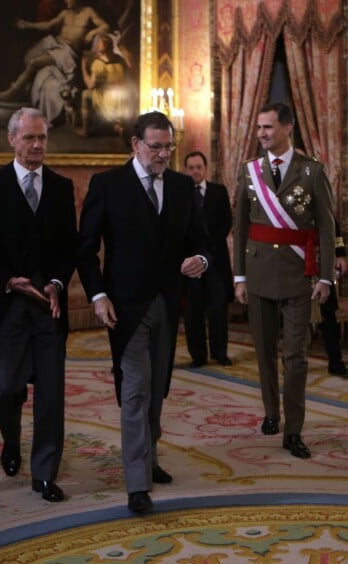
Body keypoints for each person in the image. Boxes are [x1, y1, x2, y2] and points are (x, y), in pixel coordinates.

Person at [76, 111, 211, 514]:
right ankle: (137, 482)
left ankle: (149, 455)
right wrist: (98, 296)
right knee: (135, 389)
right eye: (155, 146)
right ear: (135, 144)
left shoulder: (184, 187)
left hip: (168, 304)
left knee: (157, 388)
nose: (164, 154)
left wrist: (200, 259)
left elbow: (202, 240)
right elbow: (85, 248)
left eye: (169, 146)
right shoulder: (108, 185)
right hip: (125, 306)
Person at [0, 107, 77, 503]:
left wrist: (55, 283)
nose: (36, 145)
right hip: (9, 305)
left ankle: (44, 473)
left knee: (51, 393)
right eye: (29, 138)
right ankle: (10, 441)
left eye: (42, 138)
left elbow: (70, 247)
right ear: (11, 139)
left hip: (49, 308)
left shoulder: (62, 187)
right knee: (7, 389)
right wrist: (6, 279)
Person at [233, 102, 335, 460]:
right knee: (262, 352)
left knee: (296, 358)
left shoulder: (312, 172)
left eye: (268, 127)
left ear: (287, 128)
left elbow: (326, 226)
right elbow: (241, 226)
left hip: (298, 276)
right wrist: (239, 277)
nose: (261, 133)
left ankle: (294, 430)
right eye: (259, 127)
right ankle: (271, 413)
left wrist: (326, 277)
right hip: (258, 273)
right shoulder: (249, 172)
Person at [0, 0, 109, 124]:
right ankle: (22, 87)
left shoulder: (88, 12)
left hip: (67, 52)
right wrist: (28, 25)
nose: (66, 1)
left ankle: (12, 92)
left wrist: (93, 32)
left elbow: (105, 26)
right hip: (55, 43)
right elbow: (49, 24)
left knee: (34, 63)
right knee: (29, 56)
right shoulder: (65, 13)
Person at [183, 151, 234, 367]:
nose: (195, 171)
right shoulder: (181, 192)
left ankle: (220, 353)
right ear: (186, 170)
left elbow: (226, 222)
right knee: (193, 311)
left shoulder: (218, 191)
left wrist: (209, 251)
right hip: (190, 262)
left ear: (205, 169)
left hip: (216, 261)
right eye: (191, 167)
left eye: (198, 167)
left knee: (218, 309)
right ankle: (198, 356)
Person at [76, 32, 133, 137]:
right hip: (121, 96)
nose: (97, 45)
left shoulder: (98, 64)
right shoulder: (119, 60)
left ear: (104, 46)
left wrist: (83, 68)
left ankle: (85, 130)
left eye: (99, 43)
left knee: (85, 94)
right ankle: (118, 126)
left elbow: (90, 85)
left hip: (107, 98)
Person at [319, 219, 347, 376]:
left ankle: (335, 363)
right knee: (295, 318)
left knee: (329, 316)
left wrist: (341, 254)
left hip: (321, 265)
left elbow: (333, 225)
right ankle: (291, 363)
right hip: (296, 265)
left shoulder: (322, 198)